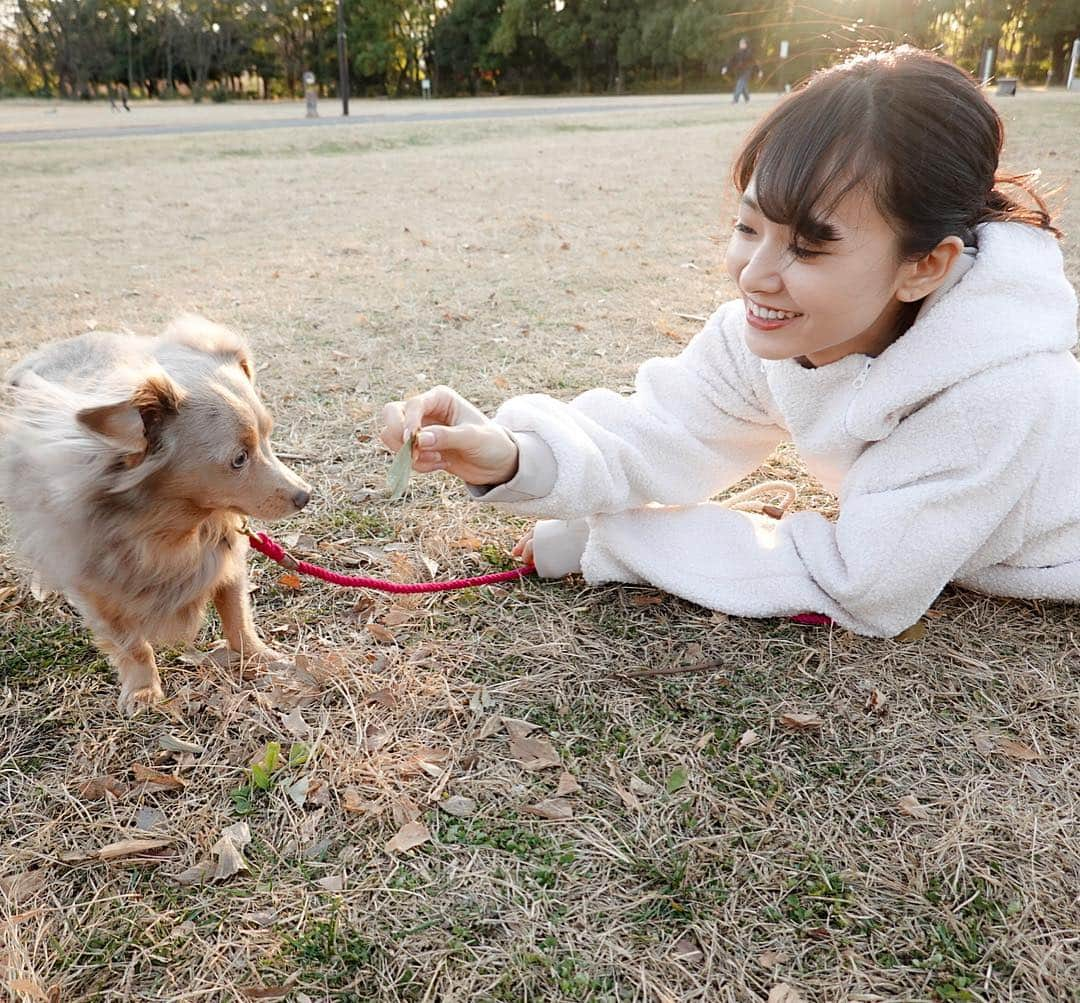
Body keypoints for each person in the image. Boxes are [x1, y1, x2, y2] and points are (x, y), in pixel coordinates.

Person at [379, 47, 1079, 638]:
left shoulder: (999, 392)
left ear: (924, 265)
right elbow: (662, 433)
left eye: (806, 246)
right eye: (749, 228)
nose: (754, 273)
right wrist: (512, 455)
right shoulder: (769, 334)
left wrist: (610, 540)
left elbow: (861, 582)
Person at [722, 38, 760, 103]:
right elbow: (731, 61)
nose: (741, 44)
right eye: (740, 43)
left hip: (747, 72)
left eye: (743, 43)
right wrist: (725, 67)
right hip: (738, 72)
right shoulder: (737, 52)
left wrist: (759, 71)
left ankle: (735, 99)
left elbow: (755, 62)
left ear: (746, 45)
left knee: (739, 84)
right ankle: (747, 98)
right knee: (743, 86)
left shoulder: (749, 53)